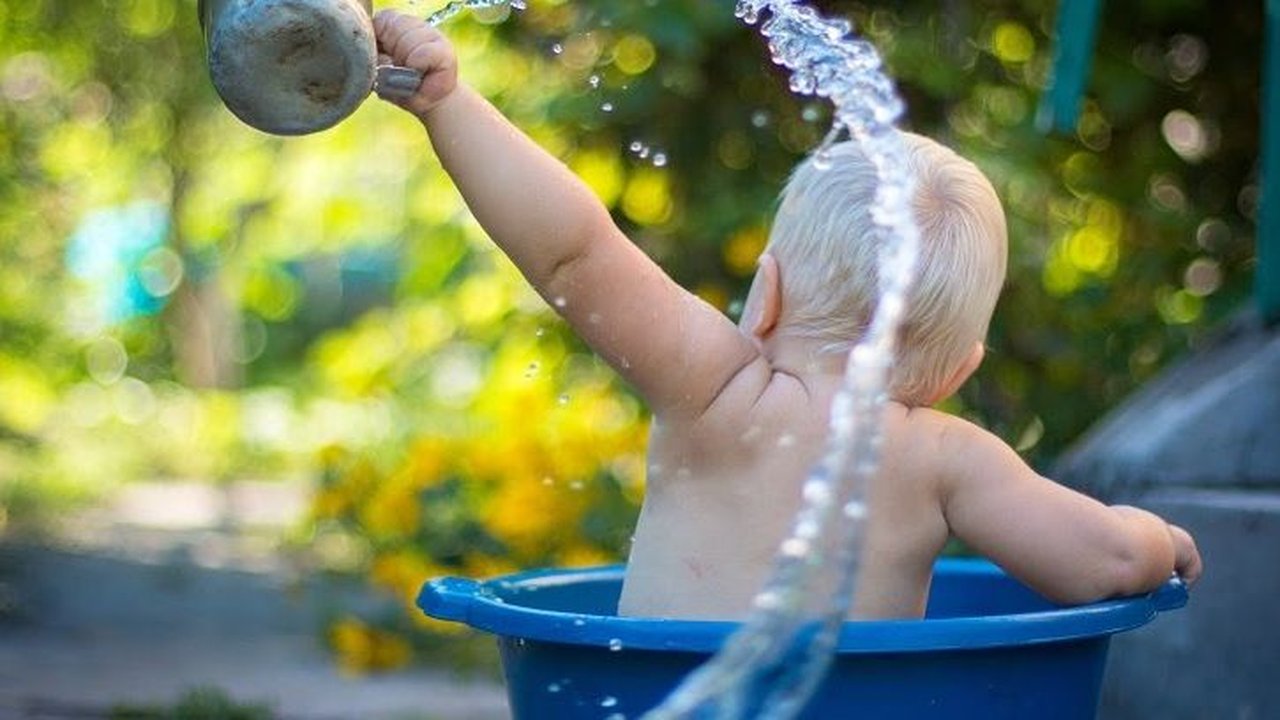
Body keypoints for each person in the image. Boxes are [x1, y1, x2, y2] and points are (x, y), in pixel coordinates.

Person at [371, 11, 1202, 620]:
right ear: (960, 370)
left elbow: (574, 253)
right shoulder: (948, 460)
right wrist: (1160, 540)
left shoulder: (715, 391)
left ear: (763, 294)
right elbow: (1106, 562)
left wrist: (449, 102)